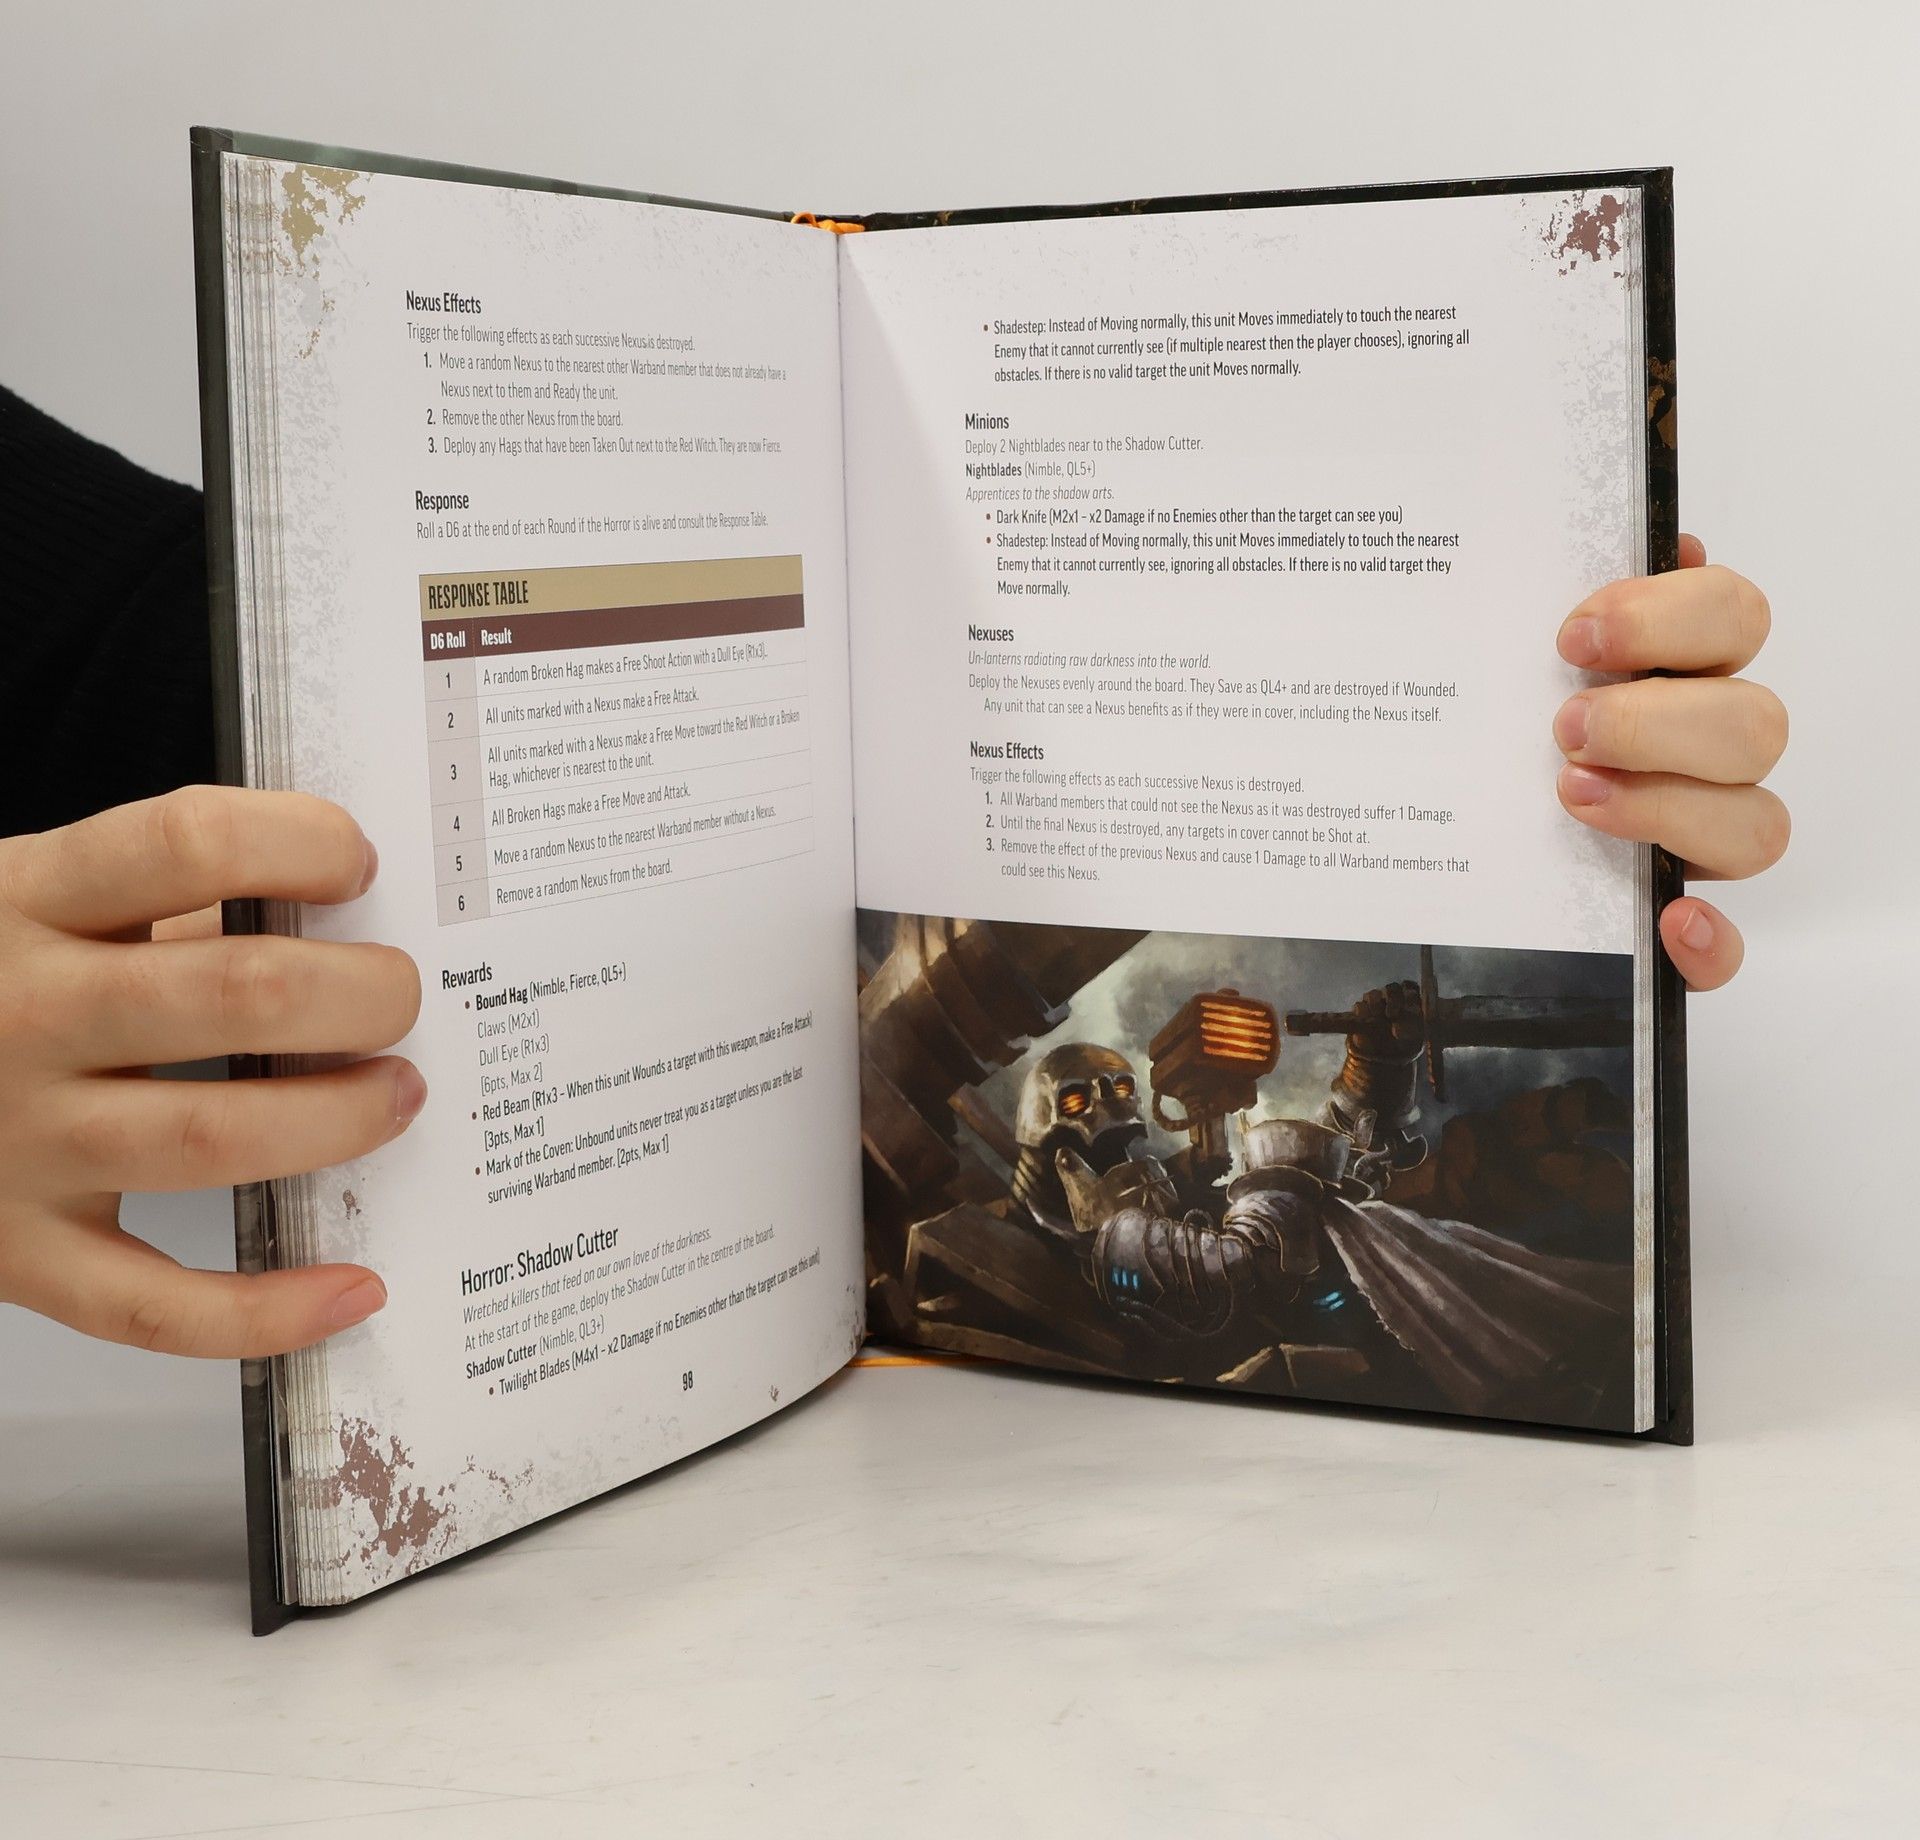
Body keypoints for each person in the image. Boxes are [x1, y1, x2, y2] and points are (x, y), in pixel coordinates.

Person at [0, 388, 1789, 1360]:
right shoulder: (998, 1194)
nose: (1101, 1103)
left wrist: (1451, 727)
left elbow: (175, 664)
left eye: (1097, 1089)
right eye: (1082, 1094)